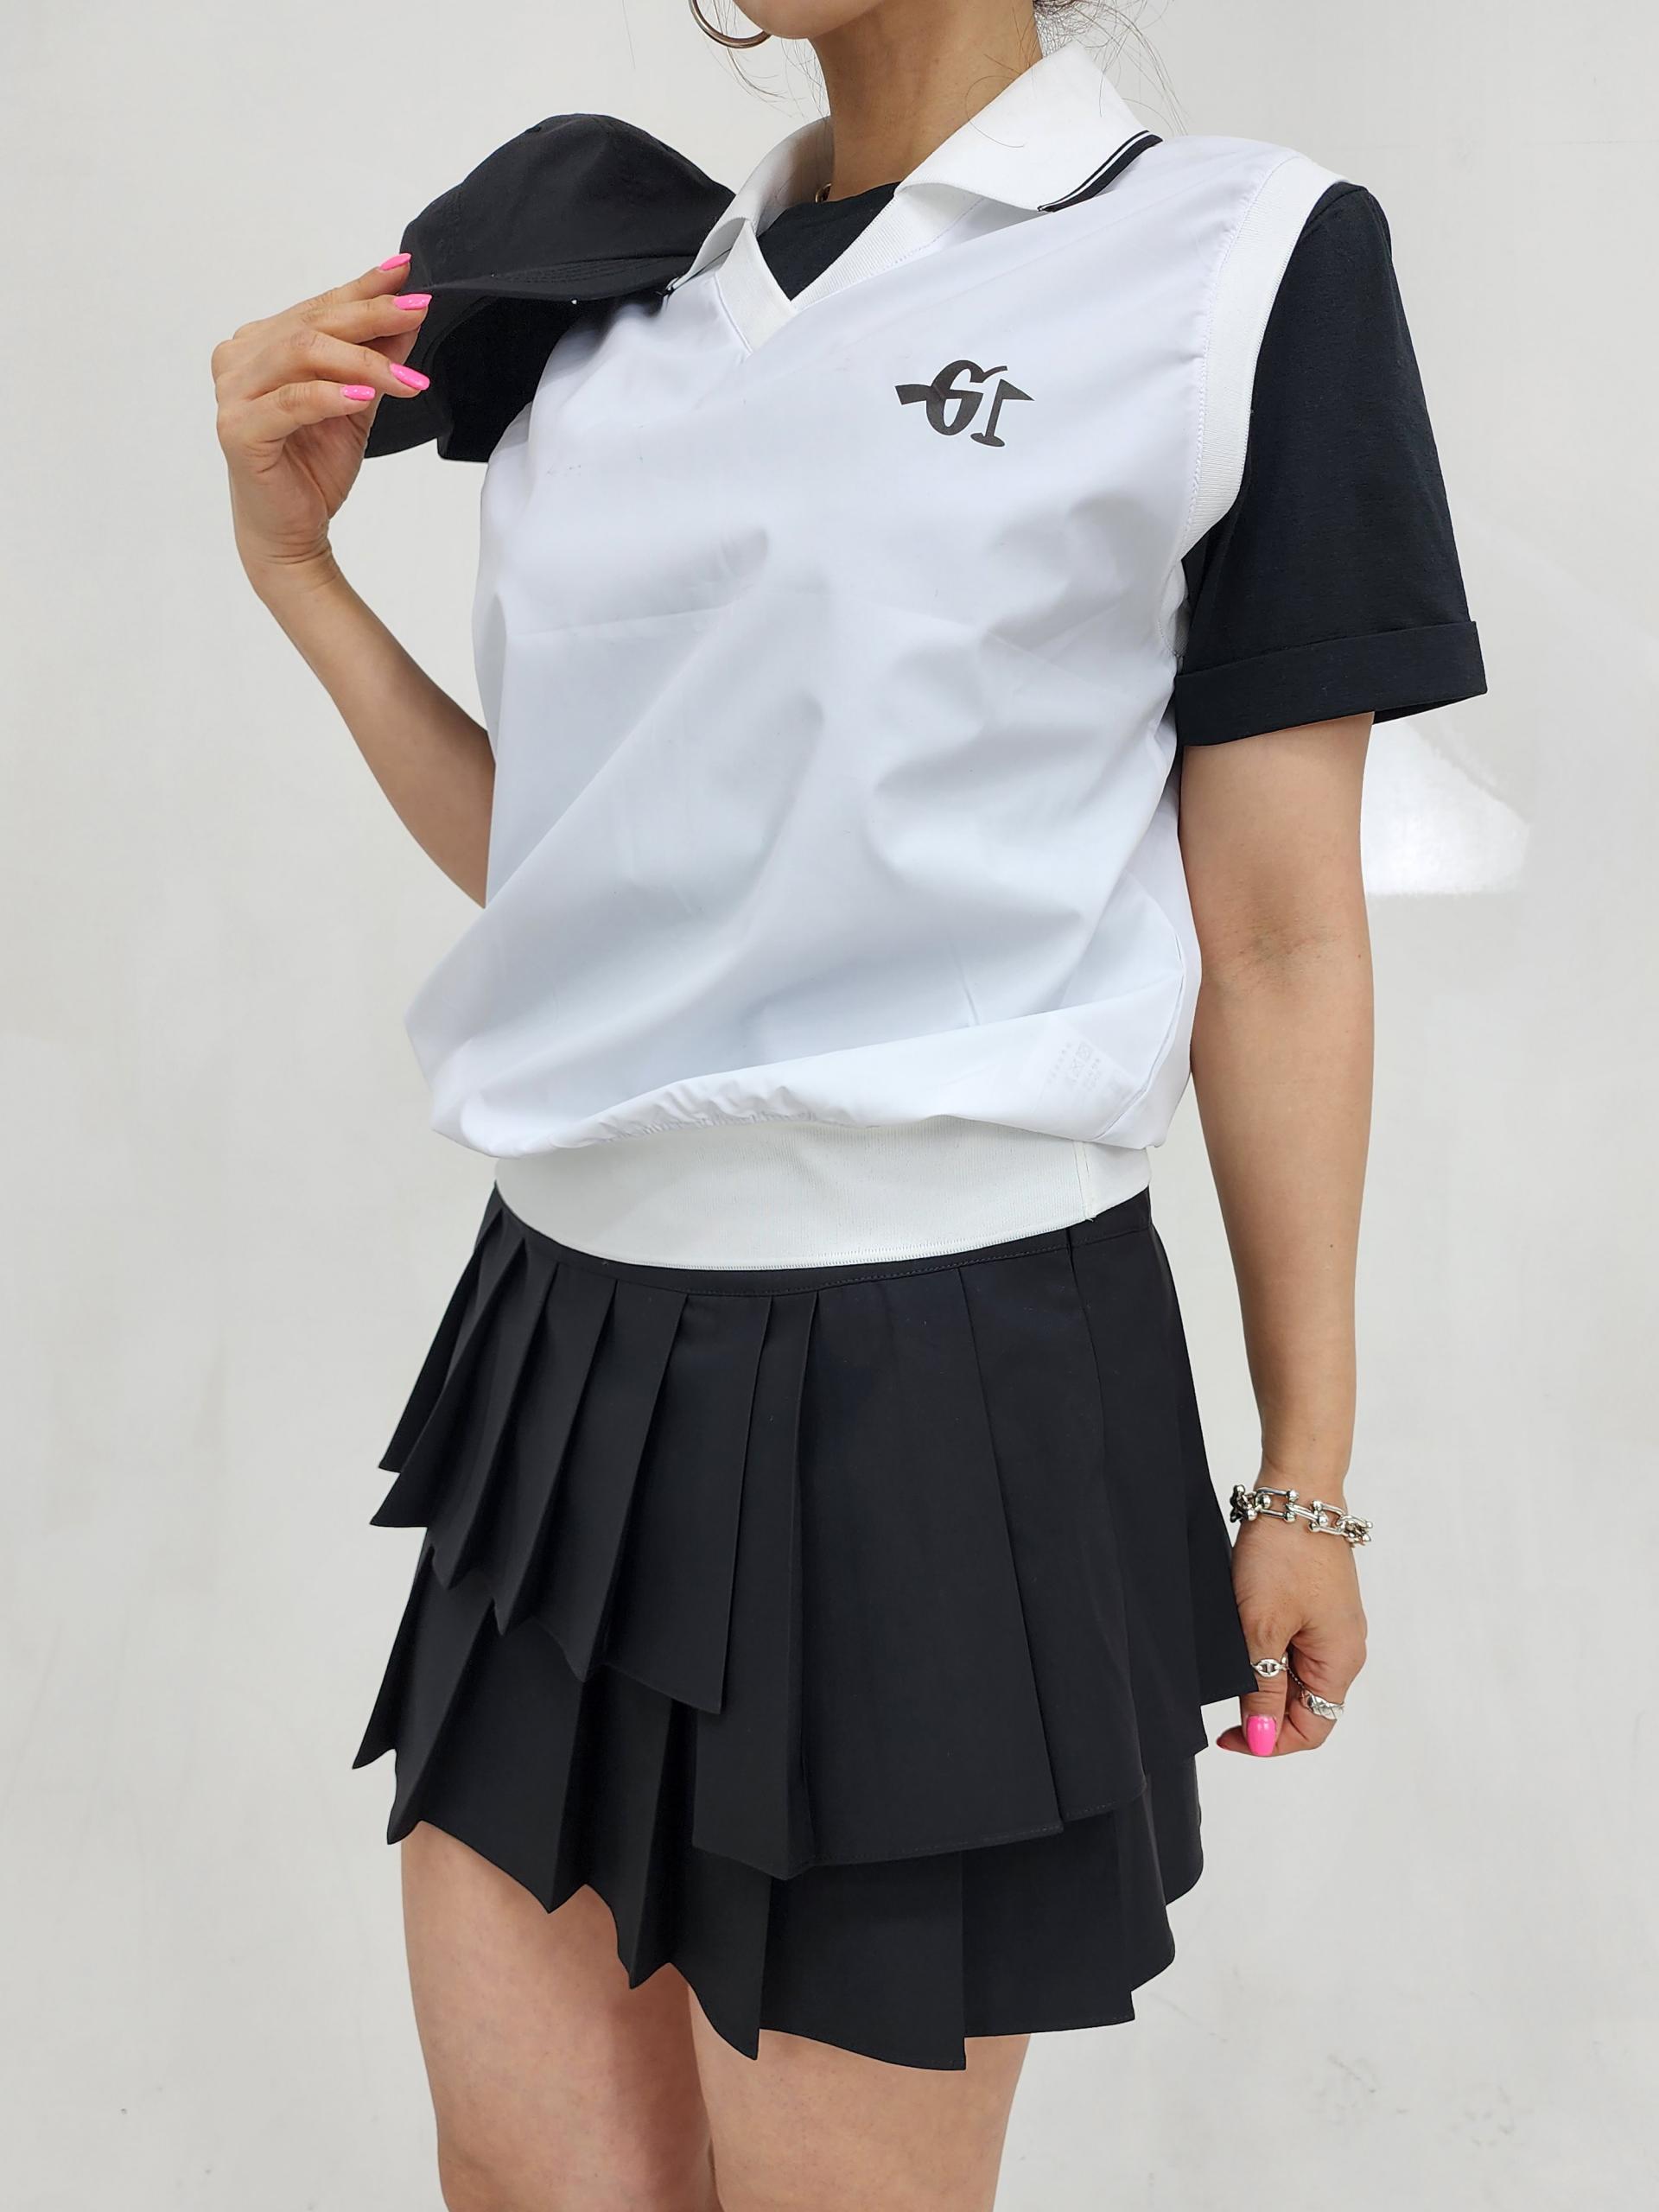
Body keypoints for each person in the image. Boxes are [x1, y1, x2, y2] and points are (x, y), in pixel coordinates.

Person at [210, 3, 1486, 2206]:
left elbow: (1280, 940)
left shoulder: (1235, 262)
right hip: (563, 1352)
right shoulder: (612, 290)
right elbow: (578, 876)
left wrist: (1308, 1473)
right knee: (527, 2177)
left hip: (944, 1378)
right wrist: (297, 574)